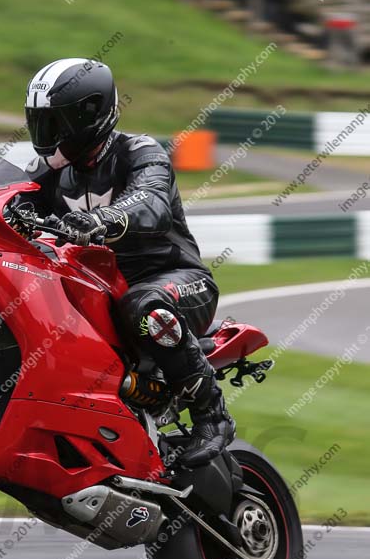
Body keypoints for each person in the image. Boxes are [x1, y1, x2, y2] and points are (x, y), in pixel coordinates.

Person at [17, 57, 234, 467]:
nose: (46, 136)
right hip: (104, 290)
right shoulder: (51, 173)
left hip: (177, 281)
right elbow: (7, 197)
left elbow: (152, 202)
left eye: (54, 123)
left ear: (89, 116)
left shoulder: (139, 151)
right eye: (39, 122)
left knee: (142, 305)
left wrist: (103, 219)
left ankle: (212, 413)